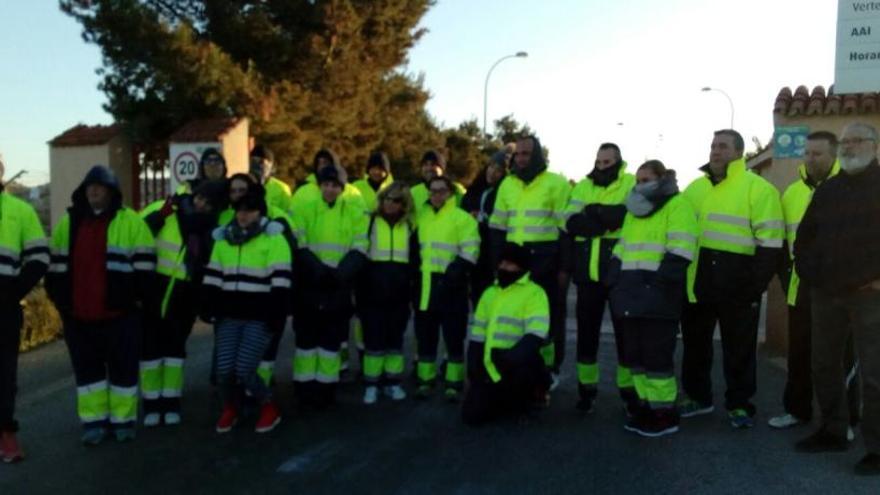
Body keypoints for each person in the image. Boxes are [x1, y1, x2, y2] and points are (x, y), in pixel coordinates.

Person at [679, 129, 784, 429]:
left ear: (739, 152)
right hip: (697, 282)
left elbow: (771, 244)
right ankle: (698, 397)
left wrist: (754, 287)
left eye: (723, 146)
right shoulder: (694, 189)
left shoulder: (758, 189)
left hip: (738, 285)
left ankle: (740, 405)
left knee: (738, 349)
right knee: (695, 345)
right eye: (713, 145)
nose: (716, 151)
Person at [46, 165, 156, 445]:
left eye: (100, 187)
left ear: (112, 191)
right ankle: (94, 423)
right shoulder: (68, 223)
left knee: (123, 372)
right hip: (79, 318)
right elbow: (55, 270)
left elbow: (146, 270)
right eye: (89, 187)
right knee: (88, 375)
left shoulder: (131, 222)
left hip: (121, 316)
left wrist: (135, 303)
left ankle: (123, 422)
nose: (93, 191)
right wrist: (63, 307)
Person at [793, 122, 880, 475]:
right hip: (826, 293)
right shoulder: (828, 190)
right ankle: (832, 431)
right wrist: (812, 274)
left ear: (874, 146)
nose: (849, 146)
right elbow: (805, 238)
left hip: (870, 295)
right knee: (824, 364)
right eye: (844, 142)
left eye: (857, 140)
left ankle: (877, 448)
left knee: (875, 375)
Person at [769, 131, 860, 431]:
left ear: (834, 155)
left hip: (839, 290)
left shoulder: (851, 188)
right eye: (807, 153)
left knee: (840, 357)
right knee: (800, 354)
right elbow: (784, 243)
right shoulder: (792, 192)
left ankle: (845, 420)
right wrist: (786, 277)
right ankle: (797, 410)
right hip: (801, 288)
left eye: (817, 154)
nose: (810, 158)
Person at [607, 161, 697, 437]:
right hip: (630, 294)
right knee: (636, 357)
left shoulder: (677, 205)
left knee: (657, 359)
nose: (640, 184)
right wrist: (614, 281)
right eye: (638, 180)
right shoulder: (634, 211)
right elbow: (621, 248)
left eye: (646, 179)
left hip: (659, 297)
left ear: (661, 179)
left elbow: (680, 251)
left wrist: (655, 288)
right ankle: (645, 406)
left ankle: (664, 414)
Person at [202, 187, 292, 434]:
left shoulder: (273, 239)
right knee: (224, 370)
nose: (243, 215)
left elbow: (281, 281)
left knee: (244, 369)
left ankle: (268, 405)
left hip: (259, 316)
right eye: (239, 210)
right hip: (229, 316)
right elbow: (213, 275)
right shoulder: (225, 239)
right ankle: (230, 407)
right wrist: (208, 305)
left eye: (249, 210)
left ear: (260, 212)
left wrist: (276, 315)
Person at [139, 180, 228, 427]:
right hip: (154, 288)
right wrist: (160, 215)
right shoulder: (165, 208)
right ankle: (150, 403)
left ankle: (171, 401)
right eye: (200, 198)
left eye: (208, 204)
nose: (201, 205)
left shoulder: (211, 229)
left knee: (175, 350)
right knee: (150, 350)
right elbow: (137, 233)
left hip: (185, 293)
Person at [488, 135, 571, 387]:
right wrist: (496, 263)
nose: (522, 158)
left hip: (546, 261)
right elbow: (497, 228)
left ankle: (549, 369)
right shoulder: (507, 185)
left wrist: (565, 269)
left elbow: (566, 231)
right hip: (514, 261)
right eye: (518, 154)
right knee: (513, 315)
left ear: (538, 156)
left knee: (548, 319)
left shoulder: (556, 183)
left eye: (527, 153)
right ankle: (517, 367)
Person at [564, 142, 635, 413]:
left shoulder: (630, 182)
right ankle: (586, 389)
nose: (602, 167)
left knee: (625, 337)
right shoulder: (583, 186)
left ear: (618, 160)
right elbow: (568, 220)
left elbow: (628, 217)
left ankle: (628, 393)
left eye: (607, 162)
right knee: (586, 336)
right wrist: (604, 220)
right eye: (599, 162)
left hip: (619, 273)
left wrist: (594, 213)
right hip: (587, 274)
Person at [291, 164, 368, 406]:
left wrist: (340, 274)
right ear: (319, 185)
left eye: (335, 185)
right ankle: (304, 389)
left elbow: (360, 245)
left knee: (330, 342)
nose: (330, 189)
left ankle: (326, 391)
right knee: (306, 341)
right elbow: (299, 243)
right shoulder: (305, 208)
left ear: (343, 189)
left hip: (338, 287)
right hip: (310, 285)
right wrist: (317, 270)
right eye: (326, 184)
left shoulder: (353, 212)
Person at [462, 242, 551, 425]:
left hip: (518, 363)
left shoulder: (535, 293)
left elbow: (535, 335)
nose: (504, 267)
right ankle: (500, 398)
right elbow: (478, 332)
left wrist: (508, 359)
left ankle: (532, 396)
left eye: (510, 264)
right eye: (502, 263)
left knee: (521, 384)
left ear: (522, 267)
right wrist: (474, 362)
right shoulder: (490, 293)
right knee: (472, 417)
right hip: (490, 363)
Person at [220, 173, 297, 387]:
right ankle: (234, 400)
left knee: (262, 357)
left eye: (242, 190)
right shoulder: (225, 218)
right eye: (233, 191)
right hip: (232, 305)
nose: (237, 196)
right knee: (228, 361)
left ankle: (262, 397)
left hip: (265, 303)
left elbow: (288, 258)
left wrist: (280, 304)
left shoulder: (277, 219)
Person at [0, 155, 49, 463]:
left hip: (3, 308)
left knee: (5, 375)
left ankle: (6, 435)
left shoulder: (21, 210)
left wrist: (12, 291)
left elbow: (40, 257)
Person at [414, 175, 479, 401]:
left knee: (453, 336)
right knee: (426, 336)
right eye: (433, 191)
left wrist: (456, 270)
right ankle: (425, 380)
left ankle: (454, 383)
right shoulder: (422, 217)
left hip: (453, 285)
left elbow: (471, 250)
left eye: (441, 191)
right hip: (425, 285)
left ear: (450, 193)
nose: (436, 195)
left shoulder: (462, 219)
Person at [359, 183, 417, 404]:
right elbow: (361, 255)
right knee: (373, 340)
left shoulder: (409, 226)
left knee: (395, 340)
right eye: (386, 199)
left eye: (395, 200)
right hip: (373, 292)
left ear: (404, 204)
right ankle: (371, 384)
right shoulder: (370, 222)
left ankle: (393, 383)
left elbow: (414, 261)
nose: (389, 204)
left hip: (399, 293)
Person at [462, 150, 509, 305]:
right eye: (491, 167)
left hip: (493, 255)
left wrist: (482, 218)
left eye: (499, 170)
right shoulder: (474, 190)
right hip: (474, 254)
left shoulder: (504, 193)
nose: (493, 172)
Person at [410, 150, 466, 216]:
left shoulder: (456, 189)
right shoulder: (413, 192)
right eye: (425, 164)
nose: (429, 168)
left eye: (433, 164)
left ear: (442, 168)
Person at [250, 145, 293, 215]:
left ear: (271, 166)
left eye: (262, 162)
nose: (258, 166)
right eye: (253, 161)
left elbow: (288, 214)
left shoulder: (282, 188)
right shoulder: (242, 184)